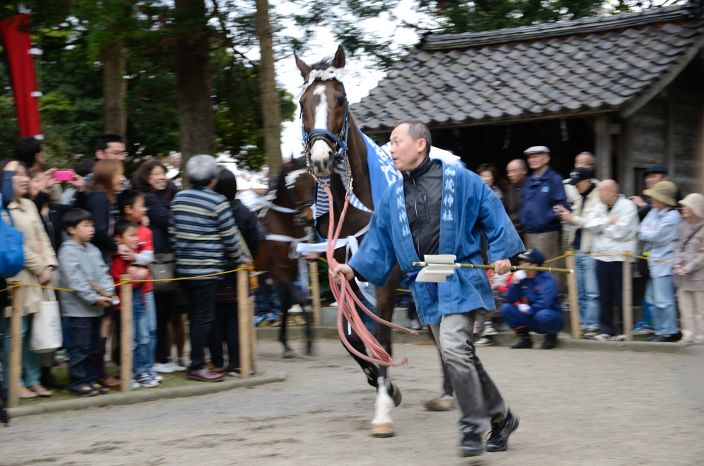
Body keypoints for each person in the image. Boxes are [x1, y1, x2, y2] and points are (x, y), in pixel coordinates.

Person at [333, 120, 524, 457]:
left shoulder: (460, 179)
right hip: (426, 284)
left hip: (461, 277)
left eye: (395, 141)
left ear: (419, 144)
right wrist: (352, 267)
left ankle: (471, 428)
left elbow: (490, 210)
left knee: (452, 348)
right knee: (459, 356)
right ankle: (502, 416)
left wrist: (500, 253)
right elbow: (379, 241)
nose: (390, 149)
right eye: (389, 143)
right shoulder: (392, 195)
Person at [170, 154, 246, 382]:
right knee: (204, 318)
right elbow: (230, 237)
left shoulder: (178, 199)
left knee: (194, 317)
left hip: (183, 269)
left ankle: (197, 362)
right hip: (208, 270)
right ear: (213, 179)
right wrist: (238, 259)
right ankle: (196, 365)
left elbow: (173, 233)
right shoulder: (217, 202)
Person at [1, 160, 58, 399]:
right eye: (17, 174)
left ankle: (33, 379)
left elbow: (43, 237)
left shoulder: (29, 205)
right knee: (17, 331)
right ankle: (15, 380)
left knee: (36, 329)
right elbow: (15, 245)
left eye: (26, 174)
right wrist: (39, 267)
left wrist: (50, 264)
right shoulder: (4, 209)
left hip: (41, 278)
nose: (24, 178)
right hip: (19, 278)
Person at [132, 160, 186, 373]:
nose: (161, 177)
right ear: (146, 177)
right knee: (160, 311)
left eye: (163, 173)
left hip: (166, 259)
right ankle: (158, 358)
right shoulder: (149, 199)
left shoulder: (166, 196)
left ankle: (164, 356)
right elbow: (168, 220)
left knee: (167, 311)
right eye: (155, 173)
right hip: (157, 261)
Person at [58, 208, 115, 396]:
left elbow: (103, 272)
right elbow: (75, 281)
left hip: (97, 308)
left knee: (93, 347)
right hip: (78, 310)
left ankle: (91, 379)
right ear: (71, 229)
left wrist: (108, 292)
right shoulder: (67, 252)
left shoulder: (93, 249)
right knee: (80, 347)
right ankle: (78, 381)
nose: (91, 229)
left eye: (91, 224)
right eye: (86, 225)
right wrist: (94, 298)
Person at [211, 167, 260, 375]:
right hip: (239, 272)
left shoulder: (213, 211)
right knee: (235, 319)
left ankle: (217, 362)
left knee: (215, 319)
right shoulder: (245, 212)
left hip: (213, 272)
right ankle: (237, 362)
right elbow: (256, 243)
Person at [84, 159, 125, 388]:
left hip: (104, 262)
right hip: (98, 265)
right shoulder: (99, 197)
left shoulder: (106, 197)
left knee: (106, 318)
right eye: (119, 173)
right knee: (104, 318)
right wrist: (117, 246)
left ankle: (98, 370)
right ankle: (97, 371)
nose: (122, 178)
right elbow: (99, 231)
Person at [586, 180, 639, 341]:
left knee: (621, 295)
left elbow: (623, 231)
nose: (599, 195)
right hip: (601, 256)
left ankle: (624, 329)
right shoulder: (598, 205)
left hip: (620, 258)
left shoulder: (627, 206)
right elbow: (590, 224)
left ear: (612, 192)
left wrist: (602, 227)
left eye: (601, 192)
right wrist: (608, 222)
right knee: (604, 295)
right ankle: (606, 329)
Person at [111, 219, 159, 388]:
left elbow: (143, 271)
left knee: (144, 336)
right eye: (131, 235)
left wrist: (139, 273)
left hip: (140, 301)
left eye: (136, 235)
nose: (135, 238)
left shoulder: (136, 254)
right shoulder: (117, 258)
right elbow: (119, 280)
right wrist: (136, 276)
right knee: (130, 340)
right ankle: (129, 373)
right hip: (125, 305)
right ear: (118, 239)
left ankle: (144, 370)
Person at [555, 167, 601, 336]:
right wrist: (566, 215)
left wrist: (572, 218)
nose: (576, 187)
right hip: (577, 249)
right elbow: (576, 222)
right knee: (580, 292)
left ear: (588, 181)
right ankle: (582, 324)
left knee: (592, 292)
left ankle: (593, 325)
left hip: (591, 250)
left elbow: (594, 223)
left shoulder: (598, 198)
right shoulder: (581, 199)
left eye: (578, 183)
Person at [639, 181, 681, 342]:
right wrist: (650, 230)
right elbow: (642, 230)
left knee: (664, 300)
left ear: (665, 200)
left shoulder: (672, 217)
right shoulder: (654, 212)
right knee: (651, 299)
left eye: (656, 197)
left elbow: (655, 235)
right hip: (652, 261)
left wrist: (649, 230)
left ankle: (669, 331)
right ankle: (659, 330)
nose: (652, 200)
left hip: (665, 262)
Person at [519, 146, 567, 285]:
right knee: (531, 268)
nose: (532, 159)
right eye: (530, 157)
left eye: (536, 156)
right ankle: (536, 300)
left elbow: (561, 206)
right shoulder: (528, 181)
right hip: (529, 232)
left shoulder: (554, 179)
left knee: (549, 268)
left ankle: (553, 300)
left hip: (547, 232)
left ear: (547, 158)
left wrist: (547, 218)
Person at [501, 249, 563, 349]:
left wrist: (528, 310)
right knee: (506, 308)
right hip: (532, 314)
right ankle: (525, 339)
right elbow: (509, 299)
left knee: (542, 315)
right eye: (521, 261)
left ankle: (551, 336)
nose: (521, 263)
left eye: (525, 261)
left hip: (549, 316)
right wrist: (515, 283)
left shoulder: (547, 279)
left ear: (534, 265)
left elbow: (544, 303)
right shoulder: (522, 278)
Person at [673, 193, 704, 344]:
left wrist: (690, 267)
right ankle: (688, 335)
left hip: (700, 275)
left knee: (700, 309)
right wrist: (677, 262)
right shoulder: (683, 225)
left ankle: (701, 336)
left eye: (686, 206)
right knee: (685, 307)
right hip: (683, 275)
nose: (683, 208)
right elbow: (678, 246)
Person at [503, 159, 527, 240]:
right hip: (513, 232)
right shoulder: (509, 189)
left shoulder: (531, 187)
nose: (510, 174)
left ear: (524, 171)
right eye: (508, 172)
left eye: (514, 171)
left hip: (528, 232)